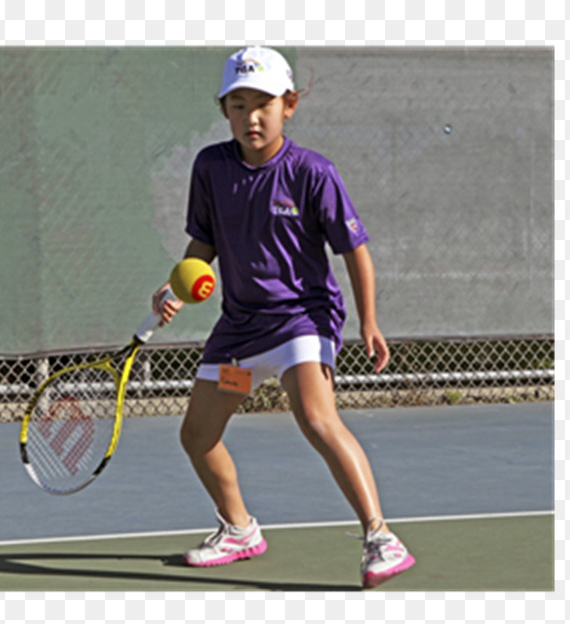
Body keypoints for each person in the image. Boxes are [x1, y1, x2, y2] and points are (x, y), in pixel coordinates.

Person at [152, 46, 415, 589]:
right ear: (224, 109)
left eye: (264, 103)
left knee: (317, 419)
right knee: (197, 436)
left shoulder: (312, 172)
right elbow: (202, 243)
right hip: (239, 333)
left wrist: (367, 321)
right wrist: (178, 282)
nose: (251, 116)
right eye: (239, 104)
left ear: (288, 105)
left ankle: (380, 537)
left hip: (302, 321)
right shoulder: (211, 168)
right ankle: (239, 529)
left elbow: (354, 250)